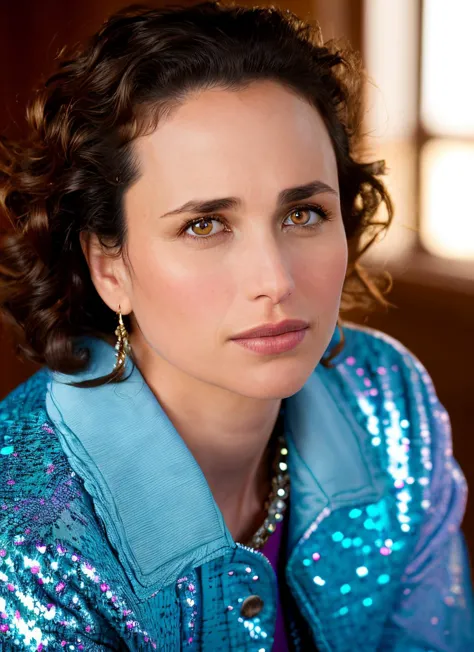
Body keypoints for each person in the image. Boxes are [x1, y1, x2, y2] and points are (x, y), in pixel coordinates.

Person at [0, 2, 472, 650]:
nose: (274, 280)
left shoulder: (387, 399)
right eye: (205, 225)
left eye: (303, 213)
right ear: (109, 265)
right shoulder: (24, 530)